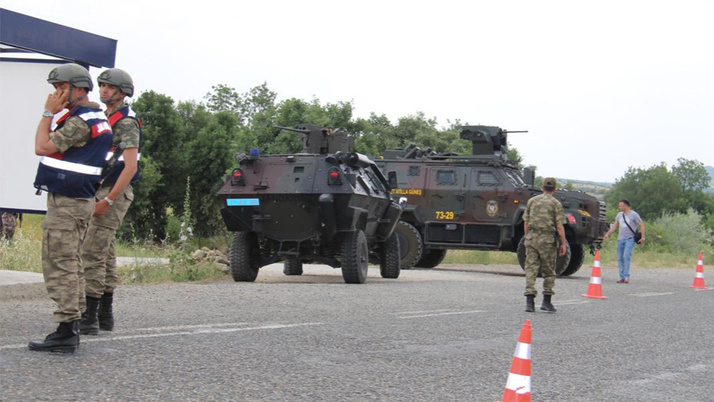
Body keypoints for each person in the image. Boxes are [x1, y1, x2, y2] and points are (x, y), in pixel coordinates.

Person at [28, 63, 113, 353]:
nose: (56, 94)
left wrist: (47, 113)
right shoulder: (94, 117)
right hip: (77, 199)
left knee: (60, 262)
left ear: (78, 89)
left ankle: (66, 331)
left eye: (61, 88)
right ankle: (72, 324)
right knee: (72, 262)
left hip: (68, 201)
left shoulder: (80, 121)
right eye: (54, 89)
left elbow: (42, 146)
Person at [79, 68, 141, 335]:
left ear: (122, 92)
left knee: (91, 252)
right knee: (104, 252)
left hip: (112, 192)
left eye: (110, 87)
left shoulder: (125, 121)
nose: (104, 90)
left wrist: (110, 200)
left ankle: (89, 316)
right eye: (102, 85)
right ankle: (104, 315)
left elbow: (130, 167)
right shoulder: (106, 117)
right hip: (101, 189)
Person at [523, 177, 567, 313]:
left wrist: (527, 237)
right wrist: (563, 243)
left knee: (531, 269)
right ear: (554, 189)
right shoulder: (556, 204)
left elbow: (526, 222)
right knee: (549, 271)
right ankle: (546, 301)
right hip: (548, 240)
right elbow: (559, 226)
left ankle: (529, 303)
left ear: (542, 187)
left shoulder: (532, 201)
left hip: (532, 238)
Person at [603, 199, 645, 283]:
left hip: (630, 239)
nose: (619, 207)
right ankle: (621, 276)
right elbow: (615, 226)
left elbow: (641, 225)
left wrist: (643, 237)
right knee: (620, 258)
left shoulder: (634, 215)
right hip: (620, 239)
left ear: (626, 205)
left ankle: (626, 276)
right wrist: (608, 234)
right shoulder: (619, 215)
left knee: (626, 256)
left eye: (621, 205)